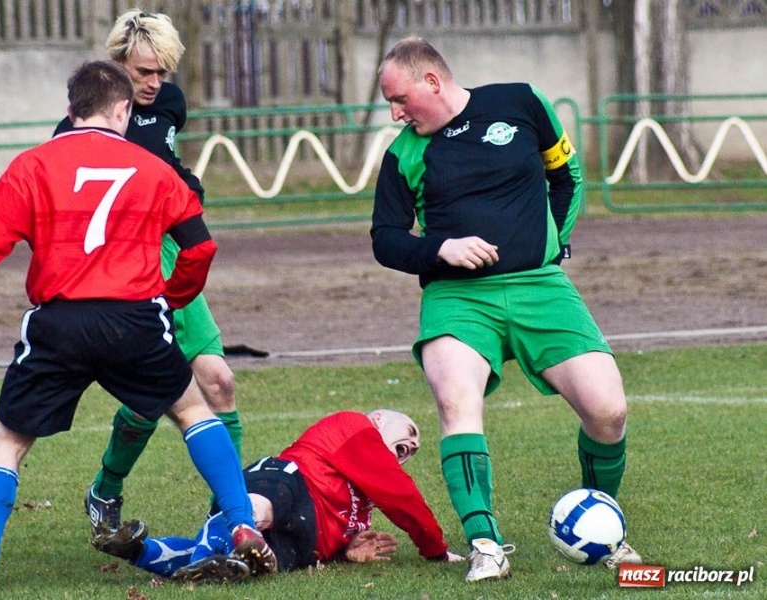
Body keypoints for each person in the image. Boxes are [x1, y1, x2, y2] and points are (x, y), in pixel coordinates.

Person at [0, 60, 275, 595]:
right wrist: (173, 297)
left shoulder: (33, 164)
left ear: (69, 110)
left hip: (60, 322)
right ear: (124, 110)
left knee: (7, 442)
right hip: (135, 317)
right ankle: (239, 520)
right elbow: (200, 245)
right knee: (193, 409)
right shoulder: (153, 169)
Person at [370, 37, 642, 582]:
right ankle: (485, 545)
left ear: (432, 82)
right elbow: (384, 240)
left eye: (399, 99)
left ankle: (601, 527)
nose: (396, 113)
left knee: (608, 411)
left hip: (541, 287)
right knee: (455, 400)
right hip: (458, 298)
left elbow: (567, 177)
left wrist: (552, 246)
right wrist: (438, 250)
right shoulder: (405, 154)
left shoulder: (520, 103)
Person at [53, 9, 244, 538]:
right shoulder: (80, 124)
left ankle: (230, 519)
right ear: (116, 66)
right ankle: (105, 489)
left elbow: (163, 160)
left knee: (220, 382)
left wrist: (186, 185)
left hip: (168, 253)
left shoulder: (169, 104)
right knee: (151, 395)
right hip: (120, 265)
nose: (156, 83)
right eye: (144, 72)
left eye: (162, 71)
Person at [94, 409, 464, 584]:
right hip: (289, 482)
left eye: (417, 446)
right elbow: (402, 497)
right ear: (379, 418)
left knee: (256, 562)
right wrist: (436, 548)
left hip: (303, 543)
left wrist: (347, 550)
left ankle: (138, 550)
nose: (414, 443)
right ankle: (205, 561)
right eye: (411, 431)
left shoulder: (363, 497)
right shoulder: (356, 427)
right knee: (260, 510)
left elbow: (342, 522)